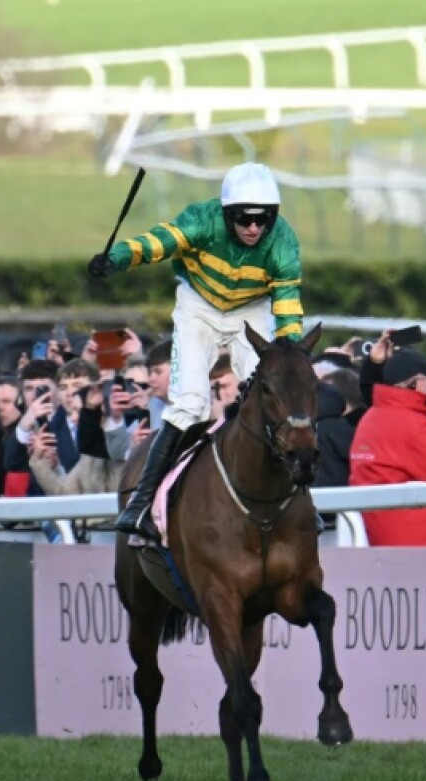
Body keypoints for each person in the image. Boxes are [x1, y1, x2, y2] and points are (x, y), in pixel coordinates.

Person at [88, 162, 304, 542]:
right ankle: (141, 503)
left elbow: (286, 301)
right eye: (244, 218)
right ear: (227, 213)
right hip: (198, 307)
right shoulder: (201, 221)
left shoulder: (284, 242)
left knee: (274, 393)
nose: (254, 228)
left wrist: (289, 348)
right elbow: (156, 243)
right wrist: (117, 257)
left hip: (251, 310)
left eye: (263, 219)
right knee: (190, 404)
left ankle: (297, 499)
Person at [349, 349, 426, 546]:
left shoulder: (369, 419)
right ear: (413, 383)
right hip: (425, 543)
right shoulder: (415, 425)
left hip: (381, 539)